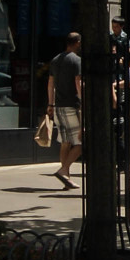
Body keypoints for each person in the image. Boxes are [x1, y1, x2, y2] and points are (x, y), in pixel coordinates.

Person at [46, 32, 83, 189]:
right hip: (72, 105)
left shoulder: (55, 60)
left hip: (59, 106)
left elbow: (50, 83)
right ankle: (63, 171)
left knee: (65, 141)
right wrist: (83, 102)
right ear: (77, 43)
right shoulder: (76, 60)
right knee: (82, 142)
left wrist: (51, 104)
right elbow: (78, 82)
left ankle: (66, 177)